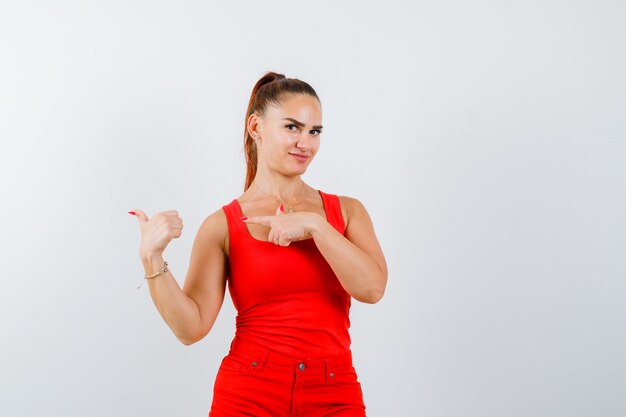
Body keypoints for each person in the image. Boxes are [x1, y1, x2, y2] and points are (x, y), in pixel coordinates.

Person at [130, 71, 388, 416]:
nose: (305, 143)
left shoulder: (346, 211)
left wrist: (315, 225)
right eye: (292, 127)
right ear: (256, 128)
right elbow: (190, 328)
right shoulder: (221, 225)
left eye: (315, 131)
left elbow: (372, 289)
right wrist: (151, 257)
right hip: (249, 393)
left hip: (333, 392)